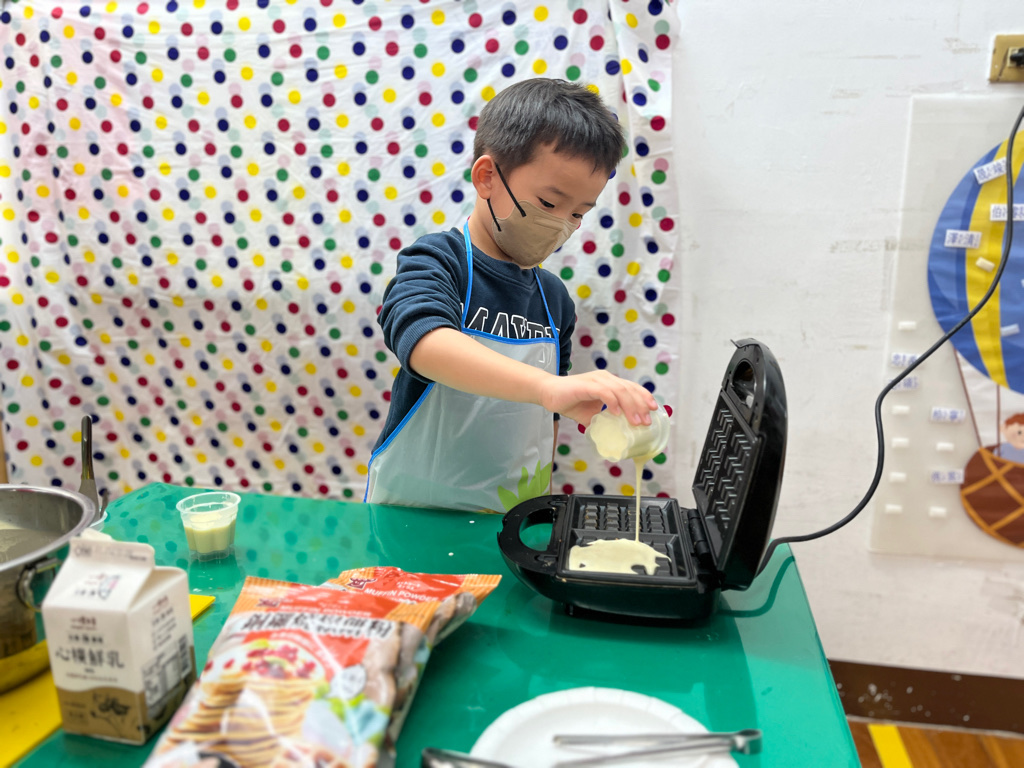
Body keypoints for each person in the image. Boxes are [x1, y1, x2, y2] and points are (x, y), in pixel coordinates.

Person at [364, 78, 658, 512]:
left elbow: (544, 420)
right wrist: (547, 387)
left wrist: (572, 403)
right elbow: (421, 341)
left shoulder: (554, 299)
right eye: (549, 203)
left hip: (513, 514)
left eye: (578, 213)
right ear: (487, 177)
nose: (562, 225)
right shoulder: (438, 260)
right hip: (417, 515)